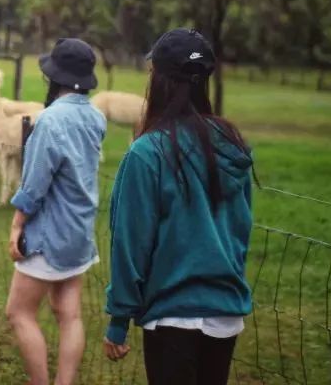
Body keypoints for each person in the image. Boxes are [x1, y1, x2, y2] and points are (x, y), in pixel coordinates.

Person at [103, 28, 254, 385]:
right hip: (225, 312)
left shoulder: (147, 152)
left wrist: (118, 318)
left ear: (159, 79)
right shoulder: (232, 145)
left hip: (172, 317)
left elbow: (131, 240)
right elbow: (241, 228)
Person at [5, 38, 107, 385]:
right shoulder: (95, 117)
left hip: (50, 235)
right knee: (69, 314)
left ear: (55, 76)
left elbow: (35, 185)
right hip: (80, 232)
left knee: (19, 312)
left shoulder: (49, 121)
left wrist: (17, 224)